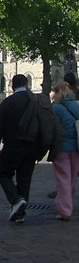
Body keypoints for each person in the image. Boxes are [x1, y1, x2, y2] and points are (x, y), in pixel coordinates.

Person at [0, 74, 39, 223]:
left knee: (3, 173)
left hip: (12, 146)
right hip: (31, 146)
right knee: (24, 179)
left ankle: (16, 200)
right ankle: (20, 213)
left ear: (12, 86)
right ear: (27, 85)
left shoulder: (7, 102)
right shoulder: (35, 102)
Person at [50, 81, 79, 221]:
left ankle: (65, 211)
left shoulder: (56, 108)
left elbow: (52, 129)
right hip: (77, 147)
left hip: (62, 148)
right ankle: (68, 205)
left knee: (63, 179)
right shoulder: (76, 106)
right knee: (72, 179)